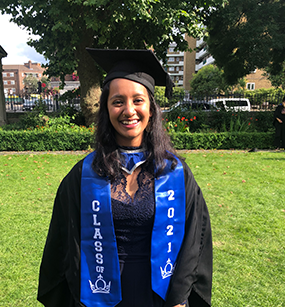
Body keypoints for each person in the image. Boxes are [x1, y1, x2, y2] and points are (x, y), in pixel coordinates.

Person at [37, 48, 212, 307]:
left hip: (161, 296)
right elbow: (64, 241)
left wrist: (178, 298)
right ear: (106, 109)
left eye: (138, 100)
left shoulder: (175, 173)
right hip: (98, 295)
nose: (128, 110)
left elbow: (193, 240)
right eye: (118, 101)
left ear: (151, 109)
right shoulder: (84, 173)